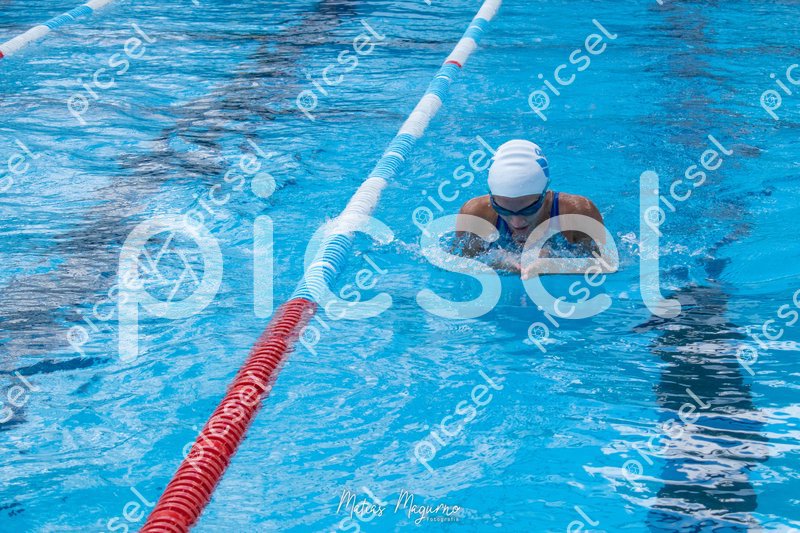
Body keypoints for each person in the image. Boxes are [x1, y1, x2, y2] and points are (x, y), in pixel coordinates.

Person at [455, 139, 605, 277]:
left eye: (528, 210)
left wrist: (553, 264)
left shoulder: (578, 213)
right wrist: (495, 262)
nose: (517, 222)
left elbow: (608, 264)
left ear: (544, 194)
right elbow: (458, 264)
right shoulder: (475, 215)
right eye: (503, 210)